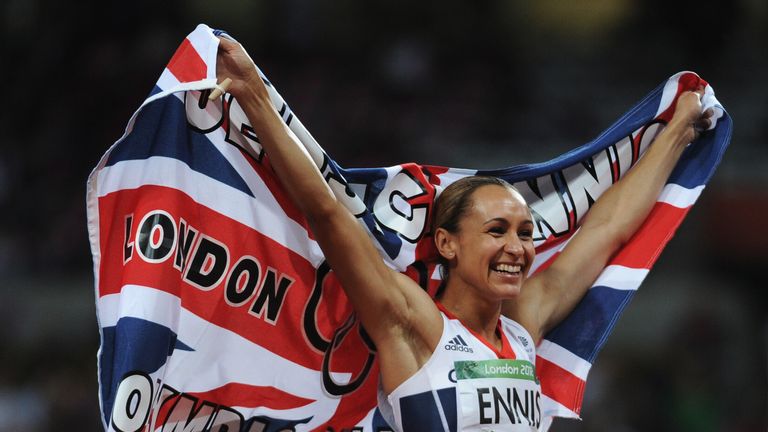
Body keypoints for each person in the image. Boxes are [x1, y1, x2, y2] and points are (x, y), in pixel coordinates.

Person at [214, 36, 712, 431]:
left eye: (525, 232)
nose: (517, 248)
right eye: (497, 230)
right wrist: (256, 97)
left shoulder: (523, 328)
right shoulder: (413, 324)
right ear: (448, 243)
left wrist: (677, 134)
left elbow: (607, 228)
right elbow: (327, 213)